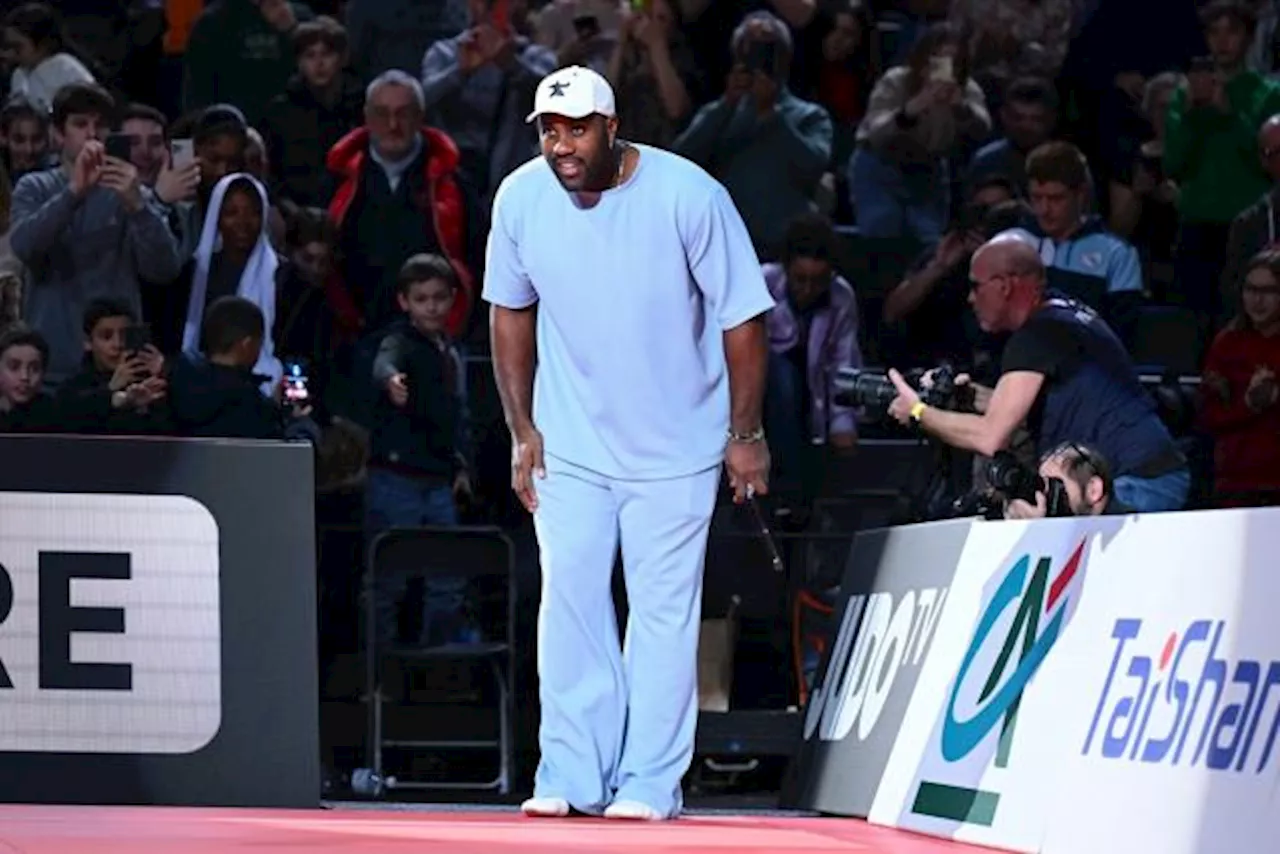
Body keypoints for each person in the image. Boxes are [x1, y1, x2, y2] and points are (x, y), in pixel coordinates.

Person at [484, 65, 774, 821]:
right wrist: (522, 430)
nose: (561, 144)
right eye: (550, 129)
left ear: (613, 128)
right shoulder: (519, 197)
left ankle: (649, 780)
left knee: (663, 615)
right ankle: (571, 774)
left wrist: (744, 434)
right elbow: (508, 313)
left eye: (576, 128)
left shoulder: (689, 195)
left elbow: (743, 317)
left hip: (678, 444)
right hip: (569, 443)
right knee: (570, 602)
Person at [885, 230, 1190, 512]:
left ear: (1004, 286)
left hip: (1134, 483)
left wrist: (918, 412)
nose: (970, 298)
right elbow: (1026, 405)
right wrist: (968, 396)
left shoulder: (1035, 336)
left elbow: (992, 436)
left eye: (976, 287)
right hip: (1148, 473)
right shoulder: (1063, 313)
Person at [1003, 441, 1131, 518]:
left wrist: (1040, 533)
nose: (1042, 499)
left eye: (1054, 488)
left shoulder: (1135, 533)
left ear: (1093, 490)